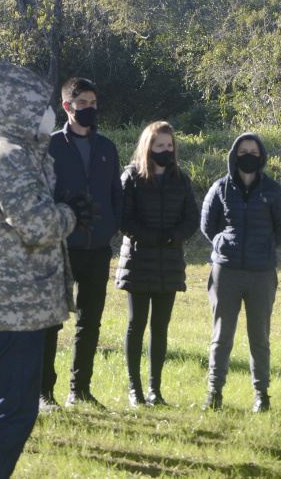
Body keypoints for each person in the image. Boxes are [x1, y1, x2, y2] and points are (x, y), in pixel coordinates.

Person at [0, 62, 94, 478]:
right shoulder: (8, 156)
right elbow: (39, 226)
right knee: (11, 414)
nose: (48, 114)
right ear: (21, 108)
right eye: (42, 106)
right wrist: (70, 213)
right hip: (11, 310)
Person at [40, 77, 123, 410]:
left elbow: (117, 193)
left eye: (93, 103)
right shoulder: (50, 146)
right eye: (83, 104)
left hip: (97, 248)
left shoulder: (107, 148)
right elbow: (40, 193)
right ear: (67, 107)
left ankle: (81, 389)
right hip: (60, 247)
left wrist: (110, 228)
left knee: (90, 322)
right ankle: (44, 392)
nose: (89, 109)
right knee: (51, 322)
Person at [199, 133, 281, 412]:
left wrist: (260, 249)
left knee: (259, 338)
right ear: (233, 156)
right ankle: (214, 393)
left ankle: (261, 395)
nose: (248, 156)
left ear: (261, 156)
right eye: (242, 151)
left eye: (253, 151)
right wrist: (222, 244)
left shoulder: (273, 191)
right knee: (221, 336)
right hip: (225, 273)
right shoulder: (220, 188)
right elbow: (207, 224)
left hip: (261, 274)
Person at [116, 122, 199, 407]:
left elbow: (192, 219)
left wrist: (173, 237)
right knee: (136, 324)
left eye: (169, 146)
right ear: (148, 147)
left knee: (160, 327)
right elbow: (123, 219)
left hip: (170, 262)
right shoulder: (132, 177)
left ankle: (155, 390)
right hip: (138, 261)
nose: (166, 150)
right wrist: (151, 238)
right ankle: (134, 389)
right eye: (160, 145)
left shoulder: (181, 179)